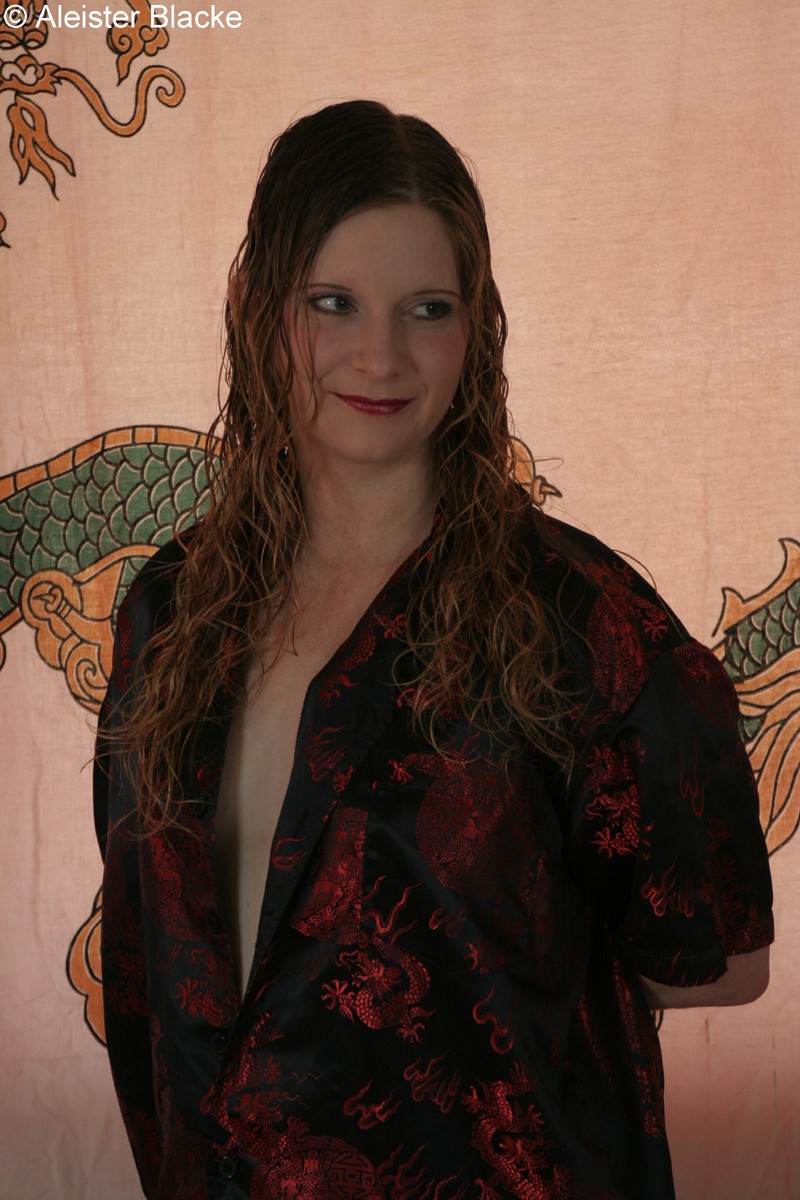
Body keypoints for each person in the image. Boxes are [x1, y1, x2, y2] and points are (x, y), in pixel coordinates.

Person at [94, 99, 773, 1200]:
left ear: (477, 327)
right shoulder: (168, 614)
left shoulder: (580, 621)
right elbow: (150, 973)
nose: (380, 354)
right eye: (332, 302)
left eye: (427, 308)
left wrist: (489, 984)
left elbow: (721, 961)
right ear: (257, 307)